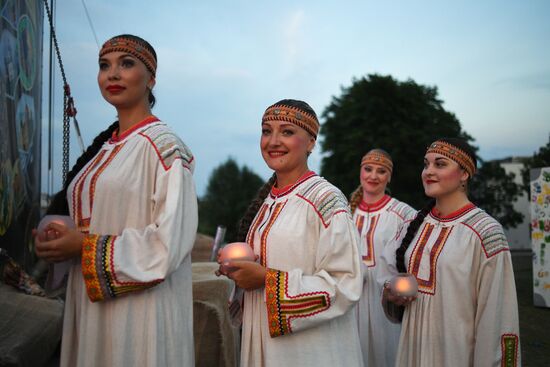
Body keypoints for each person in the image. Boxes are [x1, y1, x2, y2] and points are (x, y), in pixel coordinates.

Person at [34, 34, 197, 367]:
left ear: (151, 78)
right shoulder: (101, 153)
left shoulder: (165, 148)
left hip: (141, 314)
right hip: (90, 305)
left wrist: (83, 246)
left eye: (126, 64)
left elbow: (170, 243)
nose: (113, 74)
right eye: (104, 66)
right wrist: (58, 239)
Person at [220, 99, 364, 366]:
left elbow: (346, 283)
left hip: (309, 352)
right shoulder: (266, 204)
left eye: (287, 132)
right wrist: (238, 272)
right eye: (266, 131)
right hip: (264, 340)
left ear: (310, 142)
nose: (273, 141)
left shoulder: (326, 199)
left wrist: (267, 279)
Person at [380, 138, 521, 367]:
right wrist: (391, 294)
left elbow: (497, 315)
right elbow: (388, 280)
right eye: (426, 164)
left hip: (458, 354)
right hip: (412, 351)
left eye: (441, 164)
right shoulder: (411, 225)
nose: (429, 172)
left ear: (464, 173)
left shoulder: (486, 232)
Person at [349, 149, 415, 367]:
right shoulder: (345, 213)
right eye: (368, 169)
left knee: (387, 353)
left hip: (385, 302)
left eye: (381, 171)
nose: (373, 176)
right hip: (351, 301)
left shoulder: (403, 214)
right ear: (360, 172)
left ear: (389, 177)